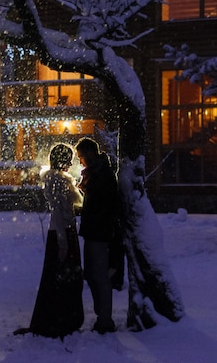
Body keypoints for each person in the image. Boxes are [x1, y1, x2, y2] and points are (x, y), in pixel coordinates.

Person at [14, 143, 84, 339]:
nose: (71, 163)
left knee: (59, 278)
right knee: (63, 278)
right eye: (69, 159)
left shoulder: (59, 180)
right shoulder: (58, 182)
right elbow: (61, 215)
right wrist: (63, 243)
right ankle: (61, 320)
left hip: (63, 233)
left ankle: (60, 318)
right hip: (63, 234)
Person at [75, 137, 121, 334]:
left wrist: (86, 189)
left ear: (90, 154)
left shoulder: (101, 173)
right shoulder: (97, 172)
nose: (80, 162)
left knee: (100, 276)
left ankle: (105, 320)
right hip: (94, 230)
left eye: (81, 157)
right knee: (94, 275)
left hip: (99, 232)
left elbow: (102, 202)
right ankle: (102, 316)